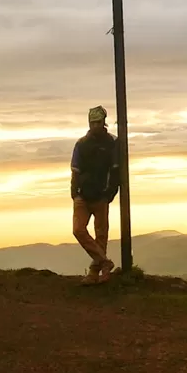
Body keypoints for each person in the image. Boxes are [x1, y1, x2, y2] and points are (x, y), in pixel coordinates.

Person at [71, 105, 120, 284]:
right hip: (83, 196)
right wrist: (74, 193)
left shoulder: (113, 143)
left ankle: (95, 273)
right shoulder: (81, 144)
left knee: (101, 235)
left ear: (104, 122)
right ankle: (105, 263)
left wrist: (110, 193)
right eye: (93, 123)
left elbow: (116, 170)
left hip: (101, 195)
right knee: (78, 230)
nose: (95, 126)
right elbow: (75, 169)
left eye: (98, 122)